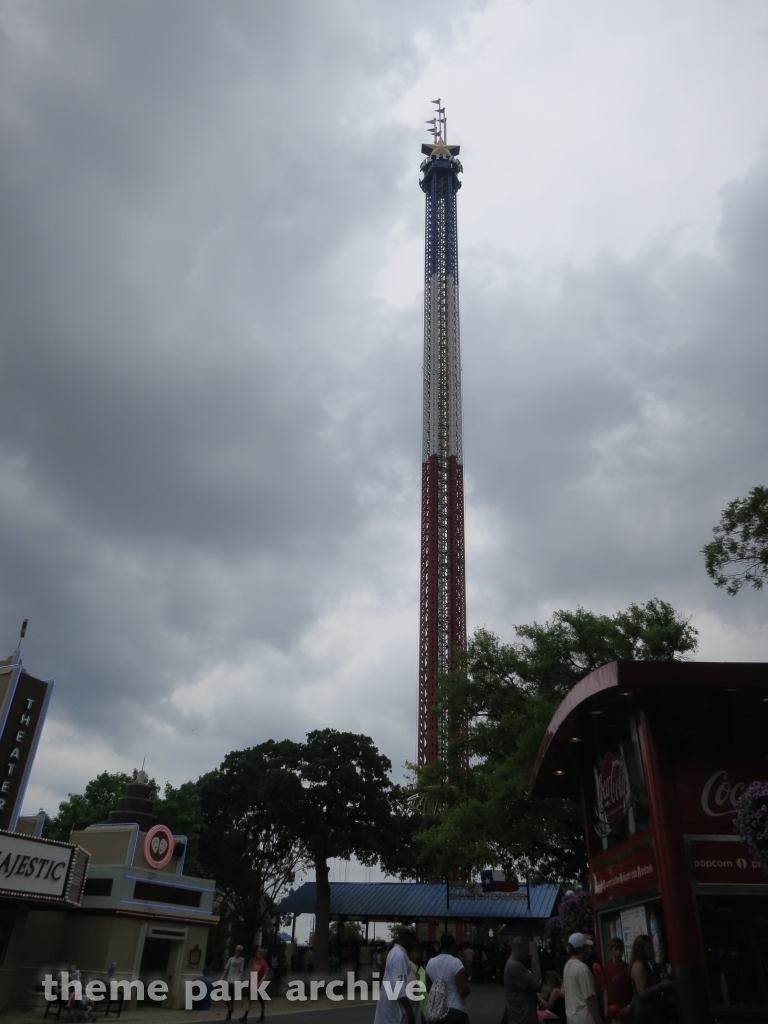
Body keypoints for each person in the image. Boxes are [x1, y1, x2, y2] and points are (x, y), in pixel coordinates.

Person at [374, 927, 419, 1024]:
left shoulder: (399, 953)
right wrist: (410, 1012)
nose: (414, 943)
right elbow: (399, 988)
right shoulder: (399, 955)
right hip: (395, 1017)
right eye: (413, 939)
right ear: (405, 939)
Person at [425, 933, 469, 1024]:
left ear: (441, 945)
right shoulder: (456, 963)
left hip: (436, 1012)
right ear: (453, 946)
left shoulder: (430, 963)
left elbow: (428, 988)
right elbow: (463, 992)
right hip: (455, 1010)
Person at [630, 935, 673, 1024]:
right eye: (649, 948)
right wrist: (661, 985)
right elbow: (642, 992)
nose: (652, 950)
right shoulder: (639, 965)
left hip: (653, 1011)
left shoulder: (648, 963)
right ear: (641, 951)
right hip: (645, 1013)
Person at [562, 934, 601, 1024]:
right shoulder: (582, 968)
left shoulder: (567, 966)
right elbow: (590, 1000)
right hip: (585, 1019)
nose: (589, 950)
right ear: (582, 948)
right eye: (587, 947)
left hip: (572, 1018)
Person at [504, 936, 539, 1024]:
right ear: (520, 948)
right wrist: (535, 957)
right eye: (526, 950)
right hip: (520, 1018)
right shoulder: (515, 966)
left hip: (519, 1016)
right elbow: (536, 985)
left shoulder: (513, 963)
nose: (527, 953)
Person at [603, 939, 633, 1023]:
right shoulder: (606, 969)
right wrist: (606, 1006)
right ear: (611, 950)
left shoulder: (628, 967)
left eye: (621, 949)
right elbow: (606, 989)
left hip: (628, 1011)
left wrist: (630, 1006)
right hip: (614, 1013)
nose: (619, 952)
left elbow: (635, 990)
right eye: (616, 949)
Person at [239, 947, 269, 1023]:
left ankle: (262, 1015)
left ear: (262, 954)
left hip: (260, 984)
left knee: (261, 1001)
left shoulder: (264, 963)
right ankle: (245, 1016)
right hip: (253, 983)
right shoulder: (255, 963)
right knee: (249, 1000)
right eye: (257, 953)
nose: (257, 954)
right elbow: (252, 973)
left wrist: (262, 981)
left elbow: (265, 974)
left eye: (259, 953)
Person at [221, 944, 245, 1021]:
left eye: (240, 951)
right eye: (237, 950)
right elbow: (226, 969)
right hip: (229, 979)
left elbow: (241, 971)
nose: (238, 952)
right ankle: (230, 1008)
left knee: (231, 998)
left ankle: (229, 1014)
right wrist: (222, 978)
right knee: (224, 997)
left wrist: (238, 979)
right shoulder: (231, 959)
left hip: (235, 981)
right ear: (235, 950)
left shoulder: (241, 960)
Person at [410, 944, 429, 1024]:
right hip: (417, 1015)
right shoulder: (409, 968)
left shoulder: (422, 969)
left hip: (426, 1014)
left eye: (422, 952)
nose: (420, 954)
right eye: (417, 952)